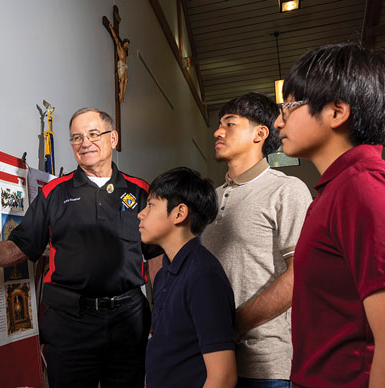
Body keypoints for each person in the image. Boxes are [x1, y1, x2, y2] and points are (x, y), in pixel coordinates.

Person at [0, 107, 162, 388]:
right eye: (77, 137)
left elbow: (156, 256)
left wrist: (163, 311)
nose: (85, 143)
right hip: (71, 322)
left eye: (93, 134)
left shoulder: (140, 190)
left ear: (113, 138)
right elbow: (22, 246)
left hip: (128, 319)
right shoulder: (53, 192)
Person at [274, 42, 385, 388]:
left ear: (337, 112)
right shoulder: (334, 188)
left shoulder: (361, 185)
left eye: (289, 107)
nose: (279, 121)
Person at [200, 92, 312, 387]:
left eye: (230, 124)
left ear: (260, 133)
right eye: (219, 124)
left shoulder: (287, 190)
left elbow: (299, 275)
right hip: (210, 361)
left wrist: (234, 326)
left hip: (265, 365)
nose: (217, 131)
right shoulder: (209, 200)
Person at [139, 167, 236, 388]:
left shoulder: (203, 276)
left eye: (151, 205)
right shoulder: (165, 273)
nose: (141, 214)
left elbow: (223, 377)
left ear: (179, 213)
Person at [108, 22, 130, 103]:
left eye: (128, 45)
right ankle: (121, 95)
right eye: (126, 44)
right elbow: (116, 38)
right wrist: (111, 28)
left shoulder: (125, 50)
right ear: (123, 43)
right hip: (120, 64)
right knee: (122, 79)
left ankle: (122, 94)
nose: (127, 46)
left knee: (126, 79)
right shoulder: (119, 47)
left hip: (124, 65)